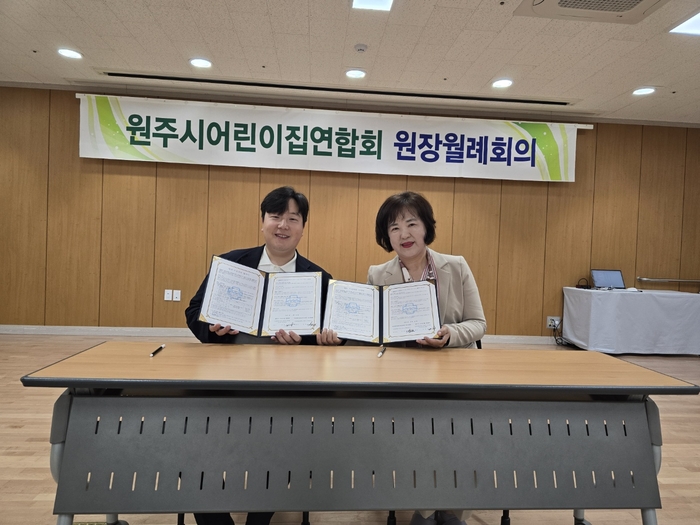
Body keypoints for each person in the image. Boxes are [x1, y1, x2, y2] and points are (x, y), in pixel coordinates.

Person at [185, 186, 333, 525]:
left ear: (303, 226)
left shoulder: (319, 279)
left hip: (285, 389)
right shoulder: (231, 264)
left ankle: (258, 520)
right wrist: (214, 330)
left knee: (285, 446)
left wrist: (304, 342)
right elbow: (194, 312)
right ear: (263, 221)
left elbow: (326, 341)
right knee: (189, 439)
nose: (283, 225)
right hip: (225, 379)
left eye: (292, 219)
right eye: (275, 216)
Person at [369, 191, 486, 525]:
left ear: (426, 227)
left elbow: (478, 323)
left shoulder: (456, 266)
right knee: (415, 437)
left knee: (460, 436)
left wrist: (450, 334)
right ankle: (424, 509)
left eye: (411, 223)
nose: (404, 234)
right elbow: (374, 332)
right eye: (394, 228)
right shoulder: (378, 274)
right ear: (386, 235)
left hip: (455, 373)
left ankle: (452, 510)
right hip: (403, 376)